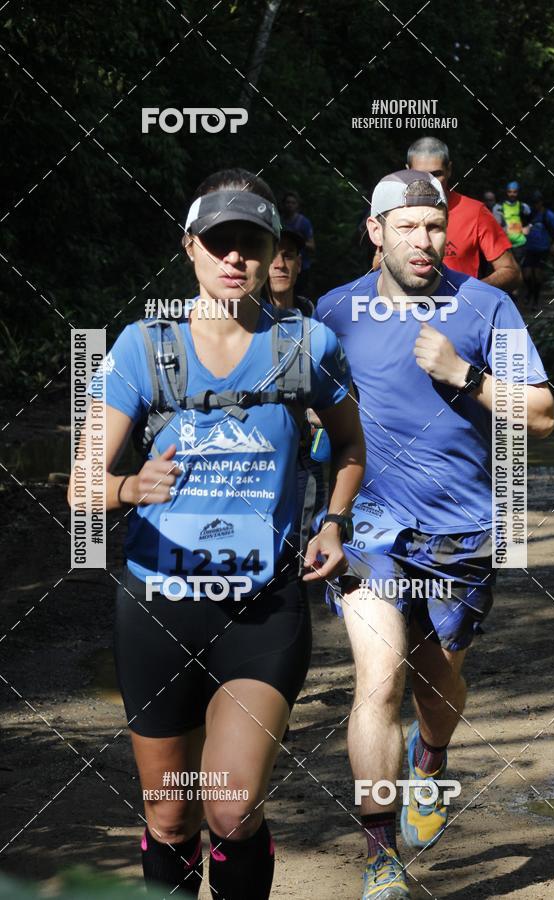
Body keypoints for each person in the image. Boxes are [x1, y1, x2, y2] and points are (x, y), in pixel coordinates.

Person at [68, 168, 365, 900]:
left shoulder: (307, 347)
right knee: (171, 818)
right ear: (191, 249)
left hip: (261, 611)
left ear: (272, 254)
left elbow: (353, 448)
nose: (235, 258)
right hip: (158, 609)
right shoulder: (144, 348)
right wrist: (131, 487)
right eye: (219, 243)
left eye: (251, 244)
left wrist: (333, 520)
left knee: (230, 810)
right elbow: (81, 486)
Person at [315, 170, 554, 899]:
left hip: (461, 532)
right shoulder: (336, 310)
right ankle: (380, 853)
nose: (426, 241)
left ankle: (433, 760)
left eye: (435, 226)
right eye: (409, 226)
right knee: (379, 677)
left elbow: (541, 415)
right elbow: (318, 410)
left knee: (434, 676)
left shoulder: (485, 305)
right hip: (371, 528)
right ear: (375, 231)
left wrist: (468, 378)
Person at [267, 225, 326, 566]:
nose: (280, 264)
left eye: (288, 256)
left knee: (304, 552)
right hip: (260, 458)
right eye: (273, 256)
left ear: (300, 264)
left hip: (306, 455)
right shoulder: (242, 320)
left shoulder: (311, 314)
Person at [406, 136, 521, 293]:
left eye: (437, 174)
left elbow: (512, 272)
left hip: (462, 314)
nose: (429, 182)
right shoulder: (394, 212)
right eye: (420, 174)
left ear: (449, 170)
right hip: (407, 313)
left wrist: (468, 293)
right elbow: (379, 266)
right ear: (407, 171)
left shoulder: (475, 212)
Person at [523, 190, 554, 308]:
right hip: (530, 249)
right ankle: (530, 292)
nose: (535, 204)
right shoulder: (530, 214)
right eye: (533, 202)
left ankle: (535, 300)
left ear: (541, 202)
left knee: (538, 276)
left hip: (542, 250)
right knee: (526, 275)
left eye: (537, 202)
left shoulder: (547, 215)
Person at [280, 190, 315, 297]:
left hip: (301, 267)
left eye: (293, 203)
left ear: (297, 205)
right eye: (288, 202)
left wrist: (297, 240)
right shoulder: (279, 221)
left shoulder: (303, 222)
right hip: (281, 264)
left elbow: (312, 246)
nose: (290, 205)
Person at [496, 180, 531, 266]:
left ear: (518, 192)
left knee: (518, 269)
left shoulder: (523, 206)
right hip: (505, 245)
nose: (512, 194)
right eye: (510, 192)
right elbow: (496, 226)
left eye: (515, 192)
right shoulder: (499, 207)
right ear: (506, 192)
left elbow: (531, 220)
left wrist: (528, 227)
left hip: (520, 244)